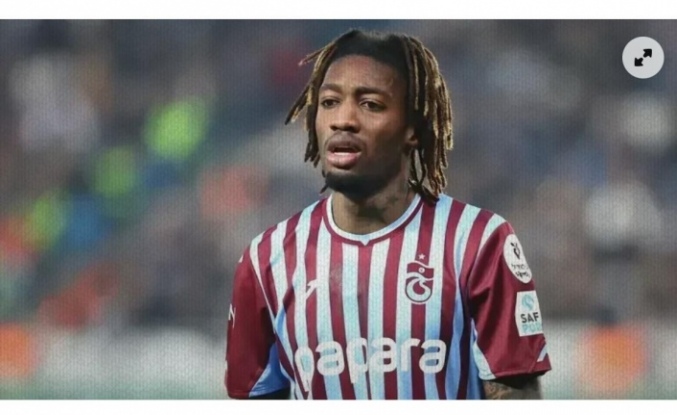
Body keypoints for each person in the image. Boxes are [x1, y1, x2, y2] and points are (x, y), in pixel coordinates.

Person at [224, 29, 551, 400]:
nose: (343, 120)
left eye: (370, 105)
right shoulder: (266, 260)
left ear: (412, 127)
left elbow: (515, 395)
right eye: (329, 102)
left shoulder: (479, 242)